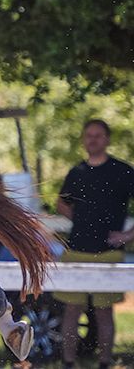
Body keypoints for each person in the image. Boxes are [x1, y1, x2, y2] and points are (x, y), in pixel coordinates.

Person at [55, 118, 134, 369]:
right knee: (71, 310)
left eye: (98, 135)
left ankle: (105, 363)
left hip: (109, 253)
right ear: (83, 139)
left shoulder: (123, 172)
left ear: (107, 139)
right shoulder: (76, 172)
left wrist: (128, 235)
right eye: (89, 135)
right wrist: (80, 220)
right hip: (76, 250)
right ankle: (67, 363)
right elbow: (61, 203)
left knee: (103, 312)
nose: (93, 139)